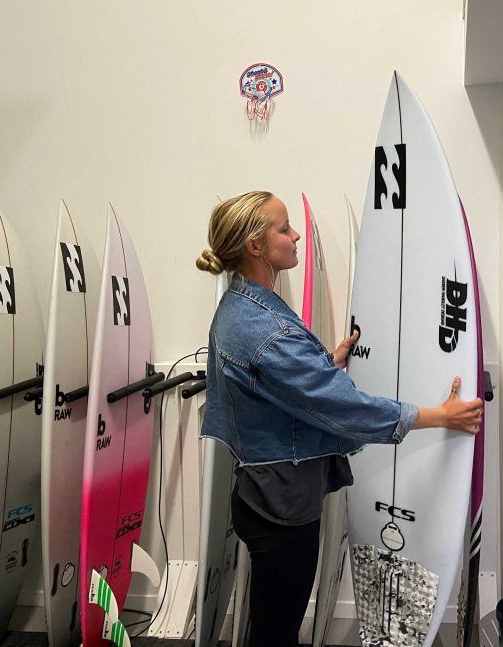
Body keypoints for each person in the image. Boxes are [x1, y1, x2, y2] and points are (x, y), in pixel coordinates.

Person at [196, 191, 483, 647]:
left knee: (273, 622)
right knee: (276, 631)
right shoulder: (262, 329)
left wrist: (323, 364)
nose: (295, 237)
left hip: (267, 493)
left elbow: (276, 388)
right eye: (283, 228)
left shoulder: (244, 305)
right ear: (255, 246)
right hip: (280, 505)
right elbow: (344, 409)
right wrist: (437, 416)